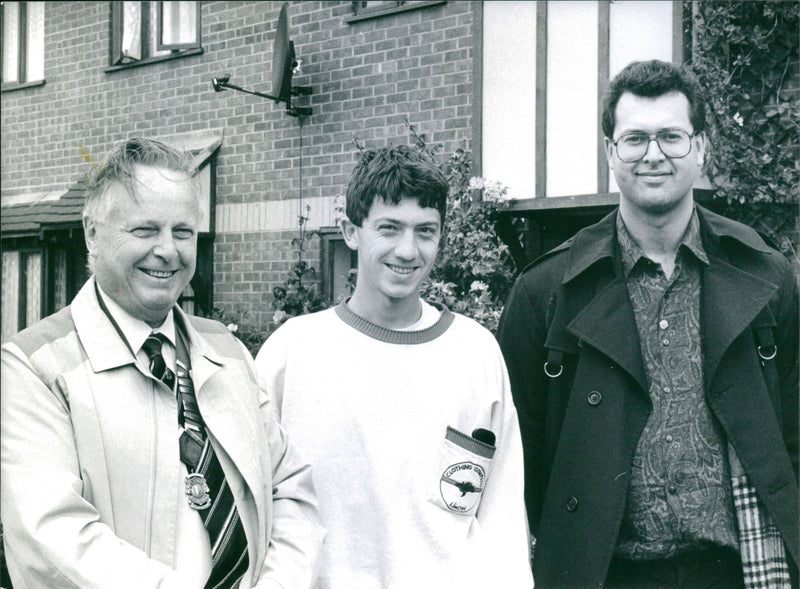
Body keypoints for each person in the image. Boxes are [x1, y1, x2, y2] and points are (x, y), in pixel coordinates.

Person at [498, 59, 798, 589]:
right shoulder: (545, 293)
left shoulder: (767, 277)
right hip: (602, 575)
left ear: (701, 148)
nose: (653, 155)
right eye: (634, 138)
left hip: (739, 572)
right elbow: (518, 462)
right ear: (611, 151)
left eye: (671, 137)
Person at [1, 138, 325, 588]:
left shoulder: (227, 352)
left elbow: (288, 488)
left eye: (183, 232)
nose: (168, 250)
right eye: (145, 230)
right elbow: (53, 538)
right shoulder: (35, 368)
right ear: (92, 234)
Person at [255, 145, 533, 588]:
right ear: (351, 231)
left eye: (426, 231)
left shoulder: (475, 352)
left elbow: (501, 514)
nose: (408, 250)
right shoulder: (292, 351)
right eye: (389, 228)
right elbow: (258, 508)